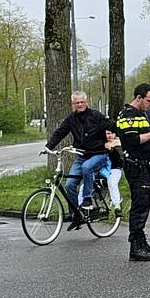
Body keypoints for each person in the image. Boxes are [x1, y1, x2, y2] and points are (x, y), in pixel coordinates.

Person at [45, 91, 114, 228]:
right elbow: (61, 132)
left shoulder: (96, 116)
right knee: (69, 185)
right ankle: (77, 215)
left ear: (86, 102)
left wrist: (113, 141)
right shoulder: (71, 119)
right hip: (82, 156)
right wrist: (48, 146)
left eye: (82, 102)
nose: (80, 104)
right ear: (73, 105)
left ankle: (87, 200)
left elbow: (112, 125)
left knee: (87, 167)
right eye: (77, 103)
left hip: (99, 154)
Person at [116, 83, 150, 262]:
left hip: (144, 164)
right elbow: (132, 140)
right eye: (148, 101)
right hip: (135, 166)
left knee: (144, 204)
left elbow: (143, 141)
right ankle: (135, 247)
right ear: (138, 98)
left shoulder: (140, 114)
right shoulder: (129, 115)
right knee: (139, 206)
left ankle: (141, 242)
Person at [101, 130, 125, 218]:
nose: (109, 135)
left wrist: (111, 150)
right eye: (107, 133)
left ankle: (117, 206)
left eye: (111, 133)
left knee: (112, 182)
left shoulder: (118, 144)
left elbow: (119, 160)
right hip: (102, 170)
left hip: (115, 168)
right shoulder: (100, 143)